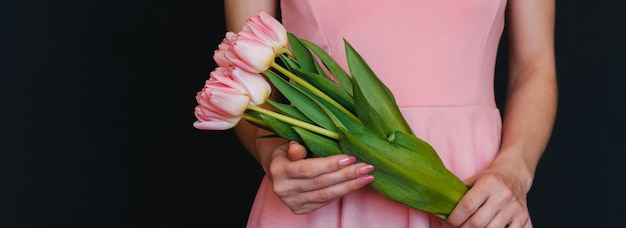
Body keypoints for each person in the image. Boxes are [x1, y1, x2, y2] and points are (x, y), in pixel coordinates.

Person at [224, 0, 557, 227]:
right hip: (320, 191)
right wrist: (272, 157)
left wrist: (515, 171)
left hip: (478, 199)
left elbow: (534, 68)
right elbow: (239, 74)